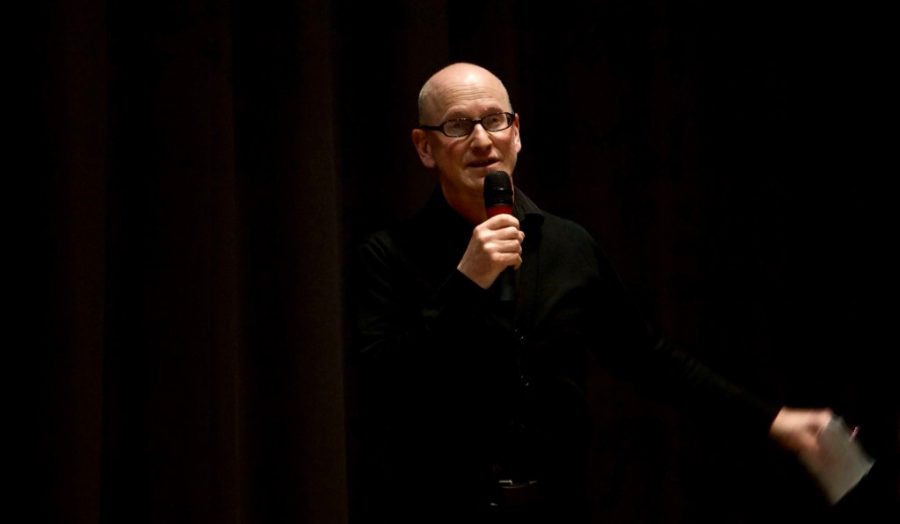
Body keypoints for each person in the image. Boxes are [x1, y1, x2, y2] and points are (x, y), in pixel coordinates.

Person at [349, 62, 835, 523]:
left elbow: (648, 358)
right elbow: (381, 384)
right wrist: (465, 283)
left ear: (516, 132)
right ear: (425, 147)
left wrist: (774, 420)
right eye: (457, 125)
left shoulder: (568, 245)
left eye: (494, 120)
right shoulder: (386, 255)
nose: (481, 139)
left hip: (558, 507)